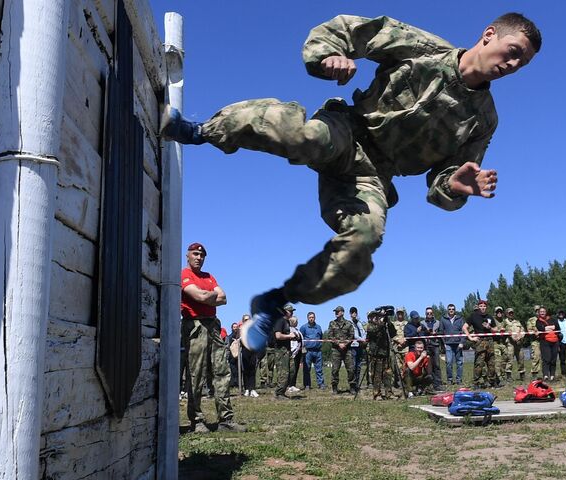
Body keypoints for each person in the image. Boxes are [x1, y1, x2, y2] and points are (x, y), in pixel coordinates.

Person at [162, 13, 542, 351]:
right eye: (511, 51)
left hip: (373, 178)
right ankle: (200, 130)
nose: (511, 64)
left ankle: (274, 302)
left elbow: (447, 181)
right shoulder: (422, 48)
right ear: (489, 34)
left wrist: (455, 189)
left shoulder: (484, 120)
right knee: (305, 136)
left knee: (365, 240)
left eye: (522, 63)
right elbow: (345, 30)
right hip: (350, 133)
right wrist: (327, 57)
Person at [181, 243, 245, 433]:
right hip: (195, 326)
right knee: (196, 374)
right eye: (195, 254)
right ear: (188, 256)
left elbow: (223, 298)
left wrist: (206, 296)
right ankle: (197, 420)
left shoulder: (209, 277)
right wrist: (210, 296)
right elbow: (198, 296)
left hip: (213, 325)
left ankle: (225, 419)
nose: (199, 257)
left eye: (202, 255)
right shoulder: (184, 274)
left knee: (222, 372)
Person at [464, 300, 499, 388]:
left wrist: (489, 327)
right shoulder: (473, 316)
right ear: (478, 307)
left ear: (486, 307)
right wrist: (471, 338)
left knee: (491, 362)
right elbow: (464, 327)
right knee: (479, 363)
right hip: (480, 341)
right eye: (481, 306)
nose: (482, 308)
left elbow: (496, 329)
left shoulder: (490, 317)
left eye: (484, 306)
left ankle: (492, 381)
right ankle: (476, 382)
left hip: (489, 341)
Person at [365, 310, 396, 400]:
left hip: (385, 353)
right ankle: (377, 394)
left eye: (377, 316)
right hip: (375, 354)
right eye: (373, 316)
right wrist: (382, 323)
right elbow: (374, 331)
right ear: (370, 318)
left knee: (388, 374)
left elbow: (393, 332)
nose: (376, 317)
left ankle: (389, 393)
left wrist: (388, 322)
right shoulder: (370, 326)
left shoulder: (383, 325)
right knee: (376, 376)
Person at [326, 306, 356, 394]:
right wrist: (339, 344)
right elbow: (330, 336)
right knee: (335, 369)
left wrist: (345, 344)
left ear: (342, 312)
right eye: (335, 311)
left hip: (347, 349)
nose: (336, 313)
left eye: (338, 311)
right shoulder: (332, 323)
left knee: (351, 369)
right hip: (336, 350)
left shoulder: (348, 323)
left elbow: (351, 336)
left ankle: (352, 387)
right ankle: (334, 387)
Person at [271, 305, 298, 399]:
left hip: (287, 350)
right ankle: (279, 393)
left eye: (292, 311)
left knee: (292, 370)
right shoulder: (279, 321)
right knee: (283, 372)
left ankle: (283, 390)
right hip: (280, 351)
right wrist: (289, 336)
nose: (292, 313)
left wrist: (293, 336)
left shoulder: (286, 321)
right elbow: (278, 335)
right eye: (290, 311)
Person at [439, 304, 465, 384]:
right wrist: (444, 343)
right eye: (449, 309)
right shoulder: (443, 319)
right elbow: (441, 332)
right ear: (447, 310)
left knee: (459, 363)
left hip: (458, 343)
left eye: (453, 309)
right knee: (449, 362)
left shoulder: (460, 319)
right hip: (448, 344)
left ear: (455, 310)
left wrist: (462, 342)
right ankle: (450, 380)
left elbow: (464, 331)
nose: (451, 310)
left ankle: (459, 380)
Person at [300, 311, 326, 390]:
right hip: (308, 352)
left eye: (313, 317)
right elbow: (300, 338)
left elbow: (321, 337)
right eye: (310, 317)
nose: (311, 319)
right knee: (306, 369)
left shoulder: (318, 327)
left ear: (315, 318)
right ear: (307, 318)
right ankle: (307, 385)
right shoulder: (303, 327)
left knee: (319, 369)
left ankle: (321, 384)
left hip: (318, 351)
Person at [535, 306, 561, 380]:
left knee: (553, 359)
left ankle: (552, 375)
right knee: (546, 359)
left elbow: (557, 328)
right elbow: (541, 328)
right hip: (545, 342)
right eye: (541, 312)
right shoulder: (538, 321)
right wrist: (550, 327)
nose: (542, 313)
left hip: (555, 341)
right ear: (539, 313)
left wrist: (547, 328)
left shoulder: (552, 319)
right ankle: (545, 375)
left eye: (543, 311)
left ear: (546, 312)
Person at [422, 307, 444, 390]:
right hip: (426, 345)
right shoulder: (422, 323)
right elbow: (420, 333)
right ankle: (427, 383)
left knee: (437, 365)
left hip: (435, 345)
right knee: (427, 365)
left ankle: (438, 384)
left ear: (433, 314)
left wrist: (436, 333)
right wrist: (426, 331)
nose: (429, 315)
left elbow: (442, 332)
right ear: (425, 314)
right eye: (427, 313)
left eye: (430, 313)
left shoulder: (438, 322)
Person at [349, 306, 367, 390]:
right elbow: (353, 334)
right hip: (353, 346)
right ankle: (353, 384)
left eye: (355, 312)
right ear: (350, 314)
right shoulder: (349, 323)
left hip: (360, 346)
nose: (354, 314)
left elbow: (363, 331)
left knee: (359, 366)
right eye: (353, 312)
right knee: (353, 366)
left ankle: (357, 383)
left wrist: (364, 339)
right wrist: (361, 339)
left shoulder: (359, 322)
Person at [504, 308, 525, 382]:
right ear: (506, 314)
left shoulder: (517, 322)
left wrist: (520, 337)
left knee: (521, 359)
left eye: (512, 313)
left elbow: (522, 330)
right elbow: (504, 331)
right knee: (510, 359)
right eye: (509, 313)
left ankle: (522, 375)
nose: (511, 314)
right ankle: (508, 376)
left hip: (519, 343)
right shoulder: (505, 322)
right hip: (510, 343)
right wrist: (513, 338)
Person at [492, 306, 510, 383]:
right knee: (498, 361)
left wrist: (505, 331)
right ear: (495, 313)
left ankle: (503, 375)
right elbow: (490, 330)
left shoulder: (505, 321)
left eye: (500, 312)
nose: (499, 313)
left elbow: (509, 330)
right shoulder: (493, 320)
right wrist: (499, 331)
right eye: (497, 312)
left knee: (504, 360)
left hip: (503, 343)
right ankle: (498, 377)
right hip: (496, 343)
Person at [287, 315, 304, 393]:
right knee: (292, 369)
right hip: (293, 352)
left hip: (298, 352)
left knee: (296, 369)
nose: (297, 322)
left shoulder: (297, 330)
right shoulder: (290, 330)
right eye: (296, 321)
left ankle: (293, 384)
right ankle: (290, 385)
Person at [555, 310, 566, 378]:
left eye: (562, 313)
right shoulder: (556, 322)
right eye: (560, 313)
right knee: (562, 359)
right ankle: (564, 374)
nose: (561, 314)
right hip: (561, 342)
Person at [526, 305, 541, 378]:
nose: (538, 312)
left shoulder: (544, 319)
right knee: (536, 356)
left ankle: (545, 374)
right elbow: (529, 330)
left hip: (544, 340)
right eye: (536, 310)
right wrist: (534, 331)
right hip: (535, 341)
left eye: (539, 310)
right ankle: (534, 374)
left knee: (545, 358)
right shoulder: (531, 320)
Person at [226, 322, 241, 389]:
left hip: (239, 356)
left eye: (236, 327)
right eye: (234, 327)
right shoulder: (229, 337)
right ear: (232, 328)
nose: (235, 328)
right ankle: (232, 383)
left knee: (239, 370)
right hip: (231, 357)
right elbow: (227, 347)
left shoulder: (240, 337)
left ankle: (238, 383)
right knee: (232, 370)